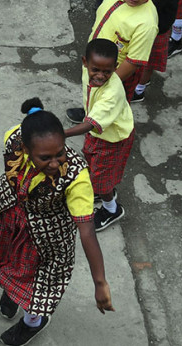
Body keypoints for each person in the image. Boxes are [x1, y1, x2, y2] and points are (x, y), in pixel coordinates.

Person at [0, 99, 113, 346]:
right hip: (11, 220)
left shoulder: (76, 176)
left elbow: (87, 231)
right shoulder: (14, 137)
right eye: (45, 157)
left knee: (40, 287)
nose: (54, 163)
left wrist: (100, 281)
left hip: (46, 240)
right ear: (25, 148)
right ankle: (11, 291)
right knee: (7, 260)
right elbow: (25, 125)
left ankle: (32, 323)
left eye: (60, 153)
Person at [64, 39, 134, 231]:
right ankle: (103, 189)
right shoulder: (89, 73)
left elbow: (89, 125)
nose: (100, 76)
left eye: (107, 72)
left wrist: (60, 134)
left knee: (100, 179)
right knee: (94, 167)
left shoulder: (112, 93)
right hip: (100, 134)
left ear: (116, 68)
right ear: (84, 62)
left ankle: (111, 209)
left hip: (112, 139)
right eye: (96, 69)